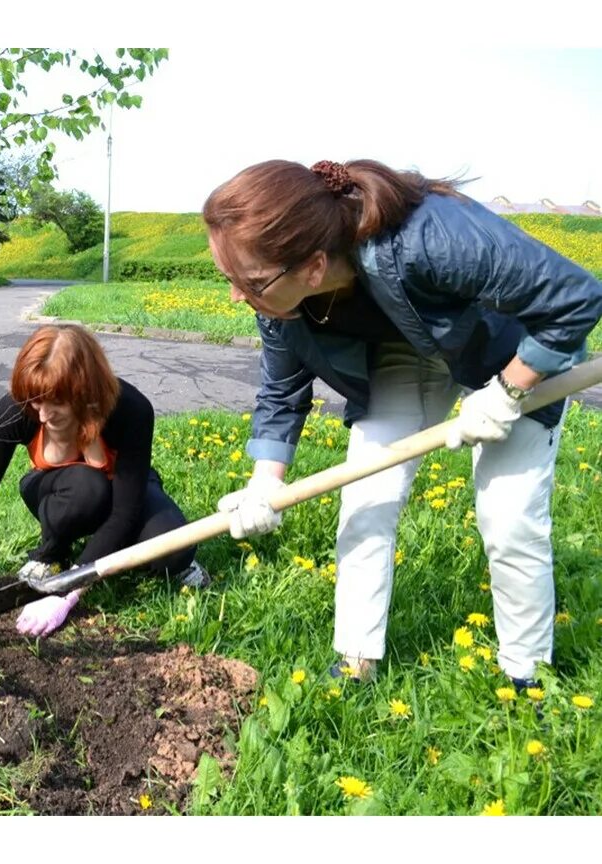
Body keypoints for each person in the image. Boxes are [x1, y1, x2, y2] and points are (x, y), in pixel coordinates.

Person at [203, 158, 602, 687]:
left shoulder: (427, 236)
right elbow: (281, 390)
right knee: (366, 496)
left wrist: (507, 393)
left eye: (247, 281)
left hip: (511, 350)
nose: (237, 295)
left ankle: (528, 676)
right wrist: (263, 485)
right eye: (230, 278)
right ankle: (356, 662)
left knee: (509, 516)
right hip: (404, 351)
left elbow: (576, 298)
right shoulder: (275, 295)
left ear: (314, 267)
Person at [0, 323, 207, 637]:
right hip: (62, 492)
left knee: (174, 548)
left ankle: (110, 552)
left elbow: (125, 512)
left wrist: (67, 592)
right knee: (88, 489)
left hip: (125, 492)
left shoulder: (131, 410)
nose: (42, 416)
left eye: (56, 406)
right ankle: (54, 552)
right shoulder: (16, 409)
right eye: (36, 402)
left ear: (86, 395)